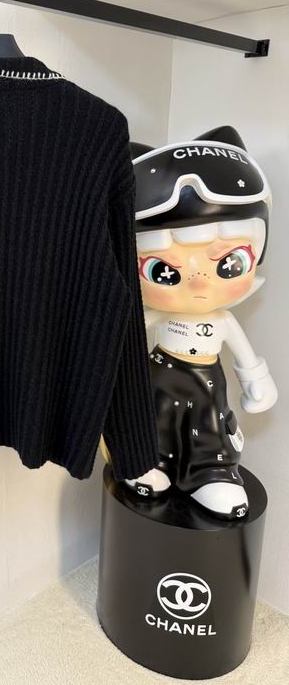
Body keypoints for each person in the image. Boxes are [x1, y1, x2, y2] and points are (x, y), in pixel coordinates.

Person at [121, 126, 277, 519]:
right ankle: (144, 461)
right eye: (164, 271)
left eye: (228, 263)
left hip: (207, 382)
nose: (198, 282)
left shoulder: (222, 319)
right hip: (158, 376)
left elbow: (243, 355)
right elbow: (125, 341)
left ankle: (211, 473)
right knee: (151, 422)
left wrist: (256, 380)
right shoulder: (157, 314)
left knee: (209, 427)